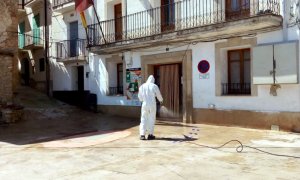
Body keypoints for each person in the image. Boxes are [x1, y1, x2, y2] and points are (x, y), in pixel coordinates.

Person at [138, 75, 163, 140]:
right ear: (153, 80)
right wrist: (161, 100)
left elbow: (140, 98)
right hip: (152, 105)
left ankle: (142, 135)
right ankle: (150, 135)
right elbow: (158, 95)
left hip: (144, 104)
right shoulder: (154, 86)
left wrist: (143, 100)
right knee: (151, 119)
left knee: (143, 119)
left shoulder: (142, 86)